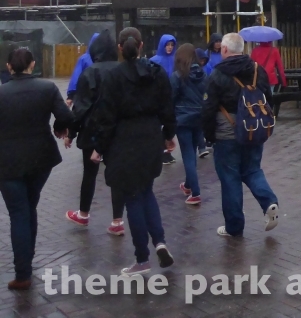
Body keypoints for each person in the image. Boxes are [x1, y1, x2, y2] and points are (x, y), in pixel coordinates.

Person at [90, 28, 176, 275]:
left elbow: (105, 117)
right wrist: (169, 134)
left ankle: (142, 258)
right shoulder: (156, 72)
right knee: (147, 190)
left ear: (120, 47)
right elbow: (167, 106)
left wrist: (99, 147)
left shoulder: (113, 77)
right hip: (151, 136)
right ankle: (160, 241)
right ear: (140, 46)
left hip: (123, 140)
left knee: (132, 197)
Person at [0, 48, 74, 290]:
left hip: (8, 162)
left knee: (19, 213)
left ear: (10, 67)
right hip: (41, 159)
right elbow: (65, 116)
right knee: (29, 206)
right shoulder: (47, 88)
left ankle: (23, 272)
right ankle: (28, 261)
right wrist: (59, 128)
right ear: (32, 65)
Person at [202, 32, 280, 238]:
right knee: (253, 170)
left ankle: (234, 226)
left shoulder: (217, 74)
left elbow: (208, 108)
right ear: (242, 49)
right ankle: (270, 202)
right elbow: (269, 100)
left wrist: (209, 136)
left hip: (227, 133)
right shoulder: (257, 70)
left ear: (225, 50)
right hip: (254, 130)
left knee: (230, 178)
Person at [64, 30, 126, 235]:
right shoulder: (123, 70)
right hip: (118, 131)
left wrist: (71, 133)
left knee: (89, 174)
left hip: (92, 130)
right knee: (117, 175)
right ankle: (118, 220)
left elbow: (80, 107)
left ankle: (83, 213)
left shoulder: (90, 72)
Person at [170, 43, 205, 206]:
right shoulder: (203, 74)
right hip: (199, 118)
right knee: (193, 152)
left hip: (183, 119)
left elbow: (170, 99)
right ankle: (188, 185)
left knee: (188, 155)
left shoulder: (177, 76)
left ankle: (195, 191)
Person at [150, 34, 177, 165]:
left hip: (171, 96)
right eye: (167, 45)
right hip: (158, 97)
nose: (170, 47)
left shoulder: (175, 60)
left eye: (172, 45)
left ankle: (167, 152)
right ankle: (161, 152)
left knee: (169, 125)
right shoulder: (154, 60)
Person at [65, 32, 99, 105]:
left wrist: (71, 95)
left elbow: (76, 77)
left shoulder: (83, 59)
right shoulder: (106, 60)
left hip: (85, 97)